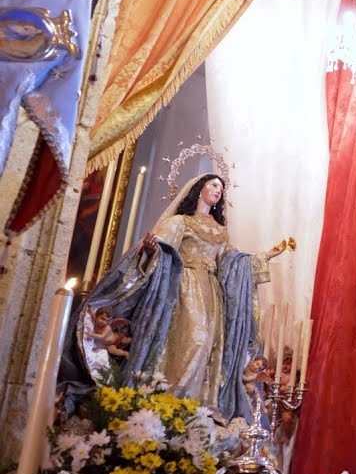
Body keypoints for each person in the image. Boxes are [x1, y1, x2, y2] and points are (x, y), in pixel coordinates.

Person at [66, 174, 283, 420]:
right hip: (184, 289)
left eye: (221, 188)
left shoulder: (220, 232)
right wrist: (150, 249)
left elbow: (233, 263)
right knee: (192, 340)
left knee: (207, 345)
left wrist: (264, 257)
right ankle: (169, 403)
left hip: (212, 295)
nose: (218, 190)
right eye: (213, 185)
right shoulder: (180, 222)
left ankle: (193, 409)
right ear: (199, 188)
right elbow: (161, 249)